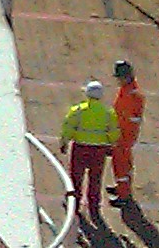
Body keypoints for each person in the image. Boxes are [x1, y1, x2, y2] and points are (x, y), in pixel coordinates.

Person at [59, 80, 119, 225]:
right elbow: (113, 132)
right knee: (95, 179)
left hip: (80, 148)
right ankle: (94, 206)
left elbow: (68, 127)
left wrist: (64, 143)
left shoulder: (78, 111)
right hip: (98, 151)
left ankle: (74, 203)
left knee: (76, 177)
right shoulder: (108, 113)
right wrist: (111, 146)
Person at [112, 59, 146, 206]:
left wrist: (118, 135)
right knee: (122, 163)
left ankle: (124, 195)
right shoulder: (127, 90)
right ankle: (121, 188)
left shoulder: (132, 95)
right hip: (122, 134)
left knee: (121, 165)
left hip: (123, 136)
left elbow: (130, 120)